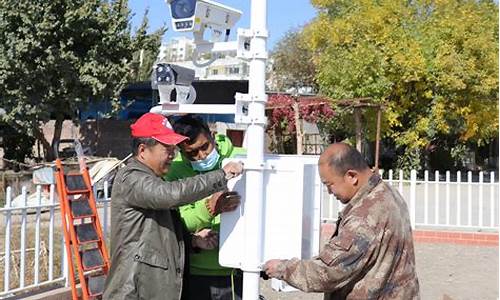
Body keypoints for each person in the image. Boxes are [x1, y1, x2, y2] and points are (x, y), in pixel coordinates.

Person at [103, 113, 244, 300]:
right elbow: (171, 195)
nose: (172, 155)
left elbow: (160, 233)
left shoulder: (152, 179)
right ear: (143, 150)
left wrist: (193, 241)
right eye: (166, 149)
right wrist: (221, 176)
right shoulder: (132, 178)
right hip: (134, 291)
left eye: (173, 149)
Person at [264, 143, 420, 299]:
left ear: (351, 176)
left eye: (329, 184)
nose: (329, 192)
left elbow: (327, 272)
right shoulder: (386, 192)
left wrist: (281, 268)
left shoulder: (364, 217)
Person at [164, 115, 246, 300]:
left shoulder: (244, 157)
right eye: (191, 153)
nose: (201, 156)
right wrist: (209, 208)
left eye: (204, 147)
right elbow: (176, 222)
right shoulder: (173, 172)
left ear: (213, 136)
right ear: (180, 151)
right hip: (194, 272)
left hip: (237, 270)